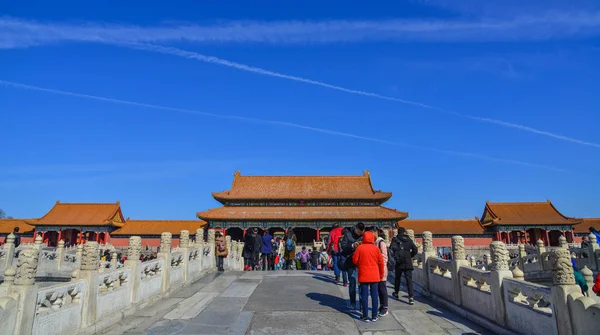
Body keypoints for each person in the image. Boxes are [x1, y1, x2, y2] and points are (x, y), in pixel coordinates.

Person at [352, 230, 384, 322]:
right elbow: (381, 263)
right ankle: (374, 316)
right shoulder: (376, 249)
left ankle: (365, 316)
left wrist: (360, 263)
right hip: (375, 276)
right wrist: (381, 275)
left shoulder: (360, 248)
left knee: (364, 295)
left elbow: (354, 260)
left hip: (363, 275)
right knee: (374, 295)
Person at [340, 222, 366, 310]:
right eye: (358, 231)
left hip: (361, 263)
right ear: (355, 228)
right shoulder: (348, 235)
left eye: (361, 232)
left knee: (362, 284)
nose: (359, 233)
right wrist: (352, 245)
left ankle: (362, 304)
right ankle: (353, 303)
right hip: (351, 262)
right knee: (352, 283)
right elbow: (343, 247)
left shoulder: (364, 236)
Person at [390, 227, 418, 305]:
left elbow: (391, 249)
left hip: (399, 262)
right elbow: (415, 250)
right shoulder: (409, 240)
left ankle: (396, 293)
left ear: (398, 232)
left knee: (397, 278)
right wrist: (410, 255)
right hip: (408, 262)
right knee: (409, 280)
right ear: (404, 232)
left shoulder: (395, 239)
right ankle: (411, 297)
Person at [372, 227, 389, 316]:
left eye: (372, 233)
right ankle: (382, 305)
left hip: (381, 269)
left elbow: (384, 257)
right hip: (376, 269)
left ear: (376, 232)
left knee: (382, 288)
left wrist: (381, 267)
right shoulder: (375, 242)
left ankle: (385, 307)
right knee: (378, 289)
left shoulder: (381, 242)